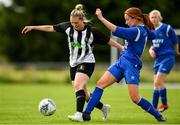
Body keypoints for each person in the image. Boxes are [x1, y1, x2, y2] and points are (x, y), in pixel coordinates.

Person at [22, 4, 124, 121]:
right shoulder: (67, 27)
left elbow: (108, 40)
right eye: (72, 23)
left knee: (78, 85)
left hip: (87, 61)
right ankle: (103, 107)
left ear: (82, 20)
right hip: (73, 64)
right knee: (84, 95)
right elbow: (50, 27)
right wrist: (33, 27)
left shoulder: (92, 31)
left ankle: (79, 114)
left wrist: (121, 47)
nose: (74, 25)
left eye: (76, 23)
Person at [70, 7, 167, 122]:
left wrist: (101, 18)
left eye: (128, 19)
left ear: (136, 18)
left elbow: (117, 30)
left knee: (135, 98)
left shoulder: (137, 31)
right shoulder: (143, 30)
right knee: (100, 84)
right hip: (121, 62)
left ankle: (158, 115)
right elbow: (154, 36)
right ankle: (86, 114)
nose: (126, 22)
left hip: (131, 66)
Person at [149, 10, 179, 112]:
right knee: (155, 84)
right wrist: (151, 50)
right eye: (152, 17)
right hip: (158, 59)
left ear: (160, 18)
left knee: (158, 81)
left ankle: (165, 104)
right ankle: (153, 106)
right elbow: (152, 45)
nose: (154, 19)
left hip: (167, 57)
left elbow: (175, 41)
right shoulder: (151, 30)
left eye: (155, 17)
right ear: (149, 19)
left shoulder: (166, 28)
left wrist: (176, 51)